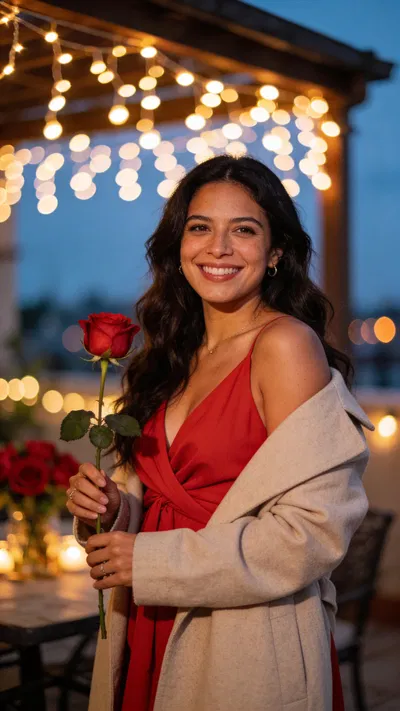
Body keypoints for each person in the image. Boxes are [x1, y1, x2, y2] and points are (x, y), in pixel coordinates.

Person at [67, 155, 374, 711]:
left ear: (276, 251)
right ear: (178, 245)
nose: (219, 247)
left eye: (245, 230)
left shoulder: (284, 345)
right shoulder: (172, 358)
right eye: (200, 227)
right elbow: (165, 504)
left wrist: (151, 562)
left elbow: (313, 533)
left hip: (245, 636)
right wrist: (113, 510)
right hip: (150, 618)